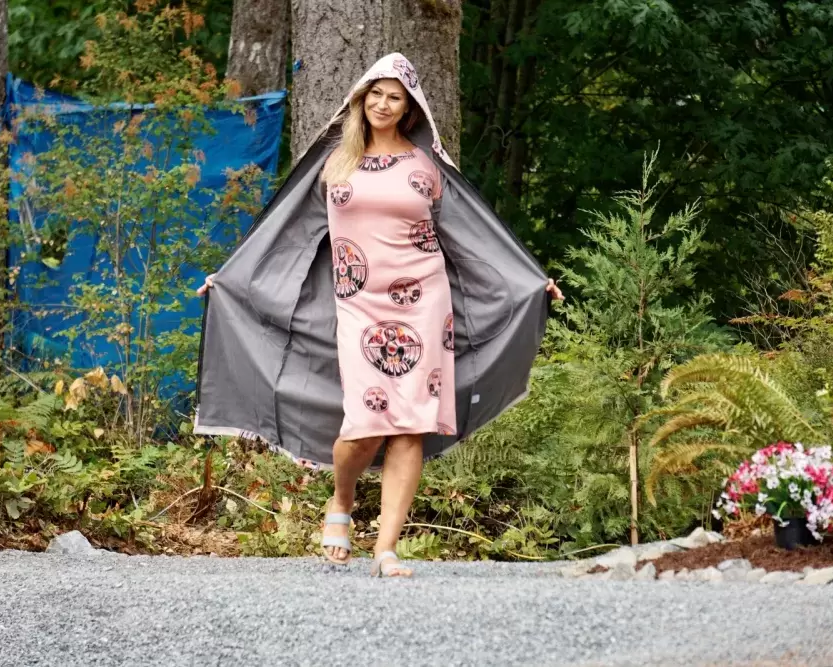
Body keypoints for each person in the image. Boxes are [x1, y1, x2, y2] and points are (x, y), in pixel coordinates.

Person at [195, 54, 562, 578]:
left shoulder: (426, 166)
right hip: (359, 303)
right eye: (375, 94)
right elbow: (286, 230)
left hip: (424, 302)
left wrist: (529, 278)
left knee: (410, 426)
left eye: (394, 96)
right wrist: (230, 276)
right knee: (364, 425)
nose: (383, 104)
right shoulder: (335, 163)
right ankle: (341, 500)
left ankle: (386, 547)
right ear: (359, 100)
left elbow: (473, 234)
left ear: (409, 107)